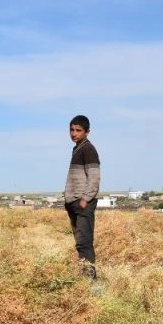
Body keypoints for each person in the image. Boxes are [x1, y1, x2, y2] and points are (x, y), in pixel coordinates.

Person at [64, 114, 100, 279]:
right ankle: (84, 279)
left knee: (84, 243)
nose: (74, 133)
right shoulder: (78, 148)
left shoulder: (88, 149)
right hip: (74, 202)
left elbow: (94, 178)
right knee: (80, 243)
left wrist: (85, 199)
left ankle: (91, 283)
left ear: (87, 132)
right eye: (71, 130)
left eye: (78, 130)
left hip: (82, 203)